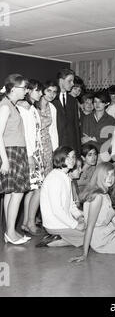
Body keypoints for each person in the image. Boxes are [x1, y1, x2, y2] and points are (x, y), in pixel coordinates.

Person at [0, 74, 31, 245]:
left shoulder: (12, 104)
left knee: (10, 193)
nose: (26, 90)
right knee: (17, 193)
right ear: (13, 89)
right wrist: (4, 160)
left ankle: (9, 231)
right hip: (11, 153)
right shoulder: (5, 107)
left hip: (16, 151)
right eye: (24, 88)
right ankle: (11, 232)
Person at [38, 146, 85, 247]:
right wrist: (76, 225)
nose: (72, 160)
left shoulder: (65, 176)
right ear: (59, 158)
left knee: (91, 230)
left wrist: (79, 216)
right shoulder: (55, 178)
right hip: (55, 224)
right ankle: (53, 241)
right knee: (91, 236)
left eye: (73, 157)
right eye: (68, 157)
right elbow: (57, 210)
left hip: (63, 220)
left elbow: (71, 204)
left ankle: (61, 237)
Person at [17, 79, 45, 236]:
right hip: (30, 154)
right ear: (28, 91)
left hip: (37, 153)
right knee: (38, 190)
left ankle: (27, 222)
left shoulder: (33, 108)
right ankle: (30, 222)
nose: (40, 93)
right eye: (37, 90)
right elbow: (25, 135)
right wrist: (30, 156)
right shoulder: (23, 109)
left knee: (32, 190)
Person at [52, 68, 81, 154]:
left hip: (71, 147)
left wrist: (78, 151)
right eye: (70, 81)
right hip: (56, 146)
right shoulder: (51, 99)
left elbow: (76, 127)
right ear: (61, 80)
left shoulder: (73, 101)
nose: (72, 84)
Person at [81, 91, 115, 160]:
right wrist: (96, 139)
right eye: (95, 101)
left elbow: (106, 138)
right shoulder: (87, 118)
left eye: (100, 102)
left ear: (106, 103)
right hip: (88, 153)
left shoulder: (111, 120)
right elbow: (84, 138)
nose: (97, 104)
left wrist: (91, 138)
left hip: (103, 153)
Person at [37, 80, 59, 175]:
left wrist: (56, 150)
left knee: (48, 174)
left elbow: (53, 131)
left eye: (54, 92)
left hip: (47, 145)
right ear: (43, 91)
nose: (52, 94)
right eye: (49, 91)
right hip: (35, 144)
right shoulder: (34, 105)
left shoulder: (52, 108)